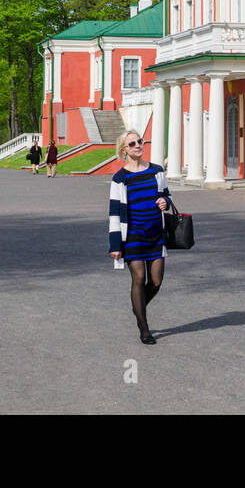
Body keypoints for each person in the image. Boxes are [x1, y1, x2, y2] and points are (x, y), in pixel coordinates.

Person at [108, 130, 170, 345]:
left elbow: (165, 195)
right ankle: (144, 328)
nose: (138, 145)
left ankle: (138, 306)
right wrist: (115, 244)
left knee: (156, 281)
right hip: (133, 235)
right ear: (124, 150)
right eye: (132, 143)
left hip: (155, 233)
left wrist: (165, 203)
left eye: (140, 141)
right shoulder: (120, 178)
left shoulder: (156, 171)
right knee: (138, 279)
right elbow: (115, 212)